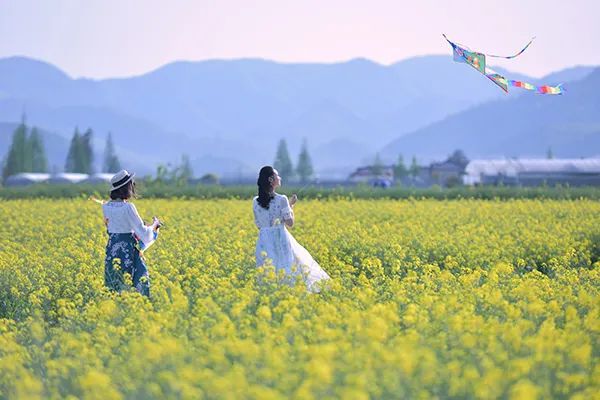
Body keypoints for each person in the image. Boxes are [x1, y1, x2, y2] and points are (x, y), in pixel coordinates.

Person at [253, 166, 330, 292]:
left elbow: (259, 225)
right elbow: (290, 223)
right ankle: (291, 294)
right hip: (279, 238)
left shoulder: (255, 201)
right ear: (271, 180)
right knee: (287, 267)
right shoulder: (282, 199)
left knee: (268, 272)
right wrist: (291, 206)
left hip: (263, 240)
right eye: (277, 175)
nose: (280, 178)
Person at [102, 170, 160, 297]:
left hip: (112, 249)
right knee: (134, 283)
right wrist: (154, 226)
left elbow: (111, 227)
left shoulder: (105, 206)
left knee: (114, 283)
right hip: (127, 250)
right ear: (127, 188)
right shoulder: (128, 207)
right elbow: (143, 233)